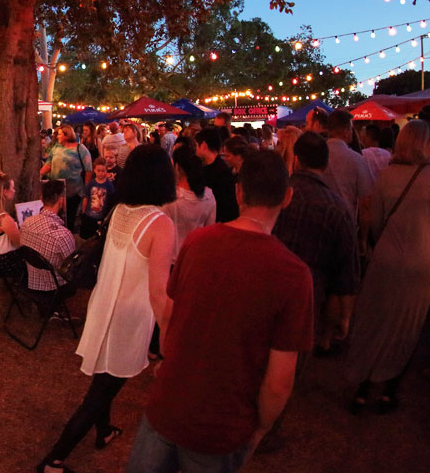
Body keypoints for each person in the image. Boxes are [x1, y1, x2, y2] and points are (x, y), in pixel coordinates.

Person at [126, 150, 313, 473]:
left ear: (239, 192)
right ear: (287, 198)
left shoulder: (198, 243)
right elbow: (280, 380)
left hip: (169, 405)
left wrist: (171, 361)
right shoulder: (294, 275)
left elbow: (169, 315)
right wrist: (261, 428)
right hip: (223, 424)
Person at [36, 146, 176, 473]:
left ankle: (103, 430)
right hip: (128, 316)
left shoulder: (120, 209)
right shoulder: (160, 223)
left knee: (104, 380)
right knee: (100, 392)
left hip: (105, 305)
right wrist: (172, 335)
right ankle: (52, 462)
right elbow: (159, 292)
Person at [344, 119, 430, 413]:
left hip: (386, 258)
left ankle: (362, 387)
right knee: (407, 327)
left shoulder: (387, 176)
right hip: (421, 264)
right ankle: (388, 391)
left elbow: (375, 221)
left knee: (375, 322)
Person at [272, 132, 359, 357]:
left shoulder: (275, 194)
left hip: (271, 290)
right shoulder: (337, 207)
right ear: (326, 163)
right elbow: (345, 271)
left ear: (297, 159)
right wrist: (345, 315)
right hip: (311, 301)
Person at [19, 180, 75, 291]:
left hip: (31, 282)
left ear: (41, 199)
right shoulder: (62, 235)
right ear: (61, 200)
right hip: (54, 287)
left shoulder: (26, 224)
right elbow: (72, 268)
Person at [162, 146, 216, 261]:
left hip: (171, 258)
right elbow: (210, 230)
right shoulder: (208, 195)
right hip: (196, 257)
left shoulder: (170, 197)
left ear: (177, 167)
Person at [323, 109, 375, 224]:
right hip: (346, 221)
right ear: (346, 131)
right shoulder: (356, 159)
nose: (352, 132)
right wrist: (363, 238)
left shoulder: (317, 155)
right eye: (351, 129)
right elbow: (366, 202)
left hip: (320, 220)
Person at [41, 124, 92, 230]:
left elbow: (88, 170)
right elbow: (49, 164)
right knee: (57, 217)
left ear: (67, 135)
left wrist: (86, 190)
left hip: (73, 191)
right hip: (57, 189)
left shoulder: (80, 148)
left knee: (70, 217)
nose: (57, 136)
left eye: (59, 134)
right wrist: (39, 174)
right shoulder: (56, 148)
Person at [195, 128, 239, 222]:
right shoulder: (220, 168)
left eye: (196, 146)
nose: (195, 150)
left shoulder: (217, 172)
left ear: (203, 146)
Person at [77, 159, 116, 239]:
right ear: (94, 170)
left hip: (101, 217)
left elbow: (110, 202)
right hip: (88, 216)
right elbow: (86, 198)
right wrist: (83, 212)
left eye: (103, 171)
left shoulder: (109, 186)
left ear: (106, 170)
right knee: (86, 236)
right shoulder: (91, 184)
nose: (101, 173)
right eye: (98, 171)